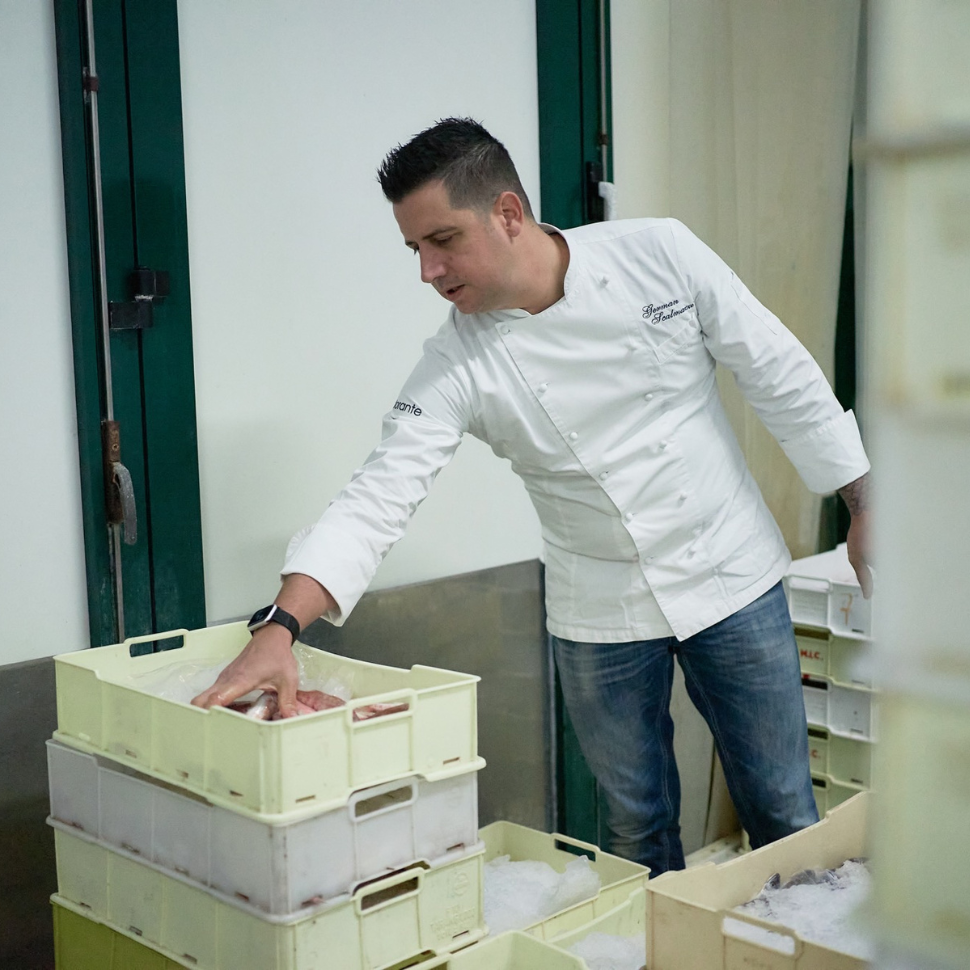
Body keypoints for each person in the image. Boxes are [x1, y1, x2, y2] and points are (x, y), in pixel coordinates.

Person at [193, 118, 871, 875]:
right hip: (601, 613)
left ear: (508, 213)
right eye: (415, 249)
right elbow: (377, 496)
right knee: (636, 834)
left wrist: (863, 502)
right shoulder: (456, 363)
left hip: (731, 572)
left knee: (783, 810)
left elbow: (776, 368)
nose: (428, 271)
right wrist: (281, 626)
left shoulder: (659, 254)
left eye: (443, 240)